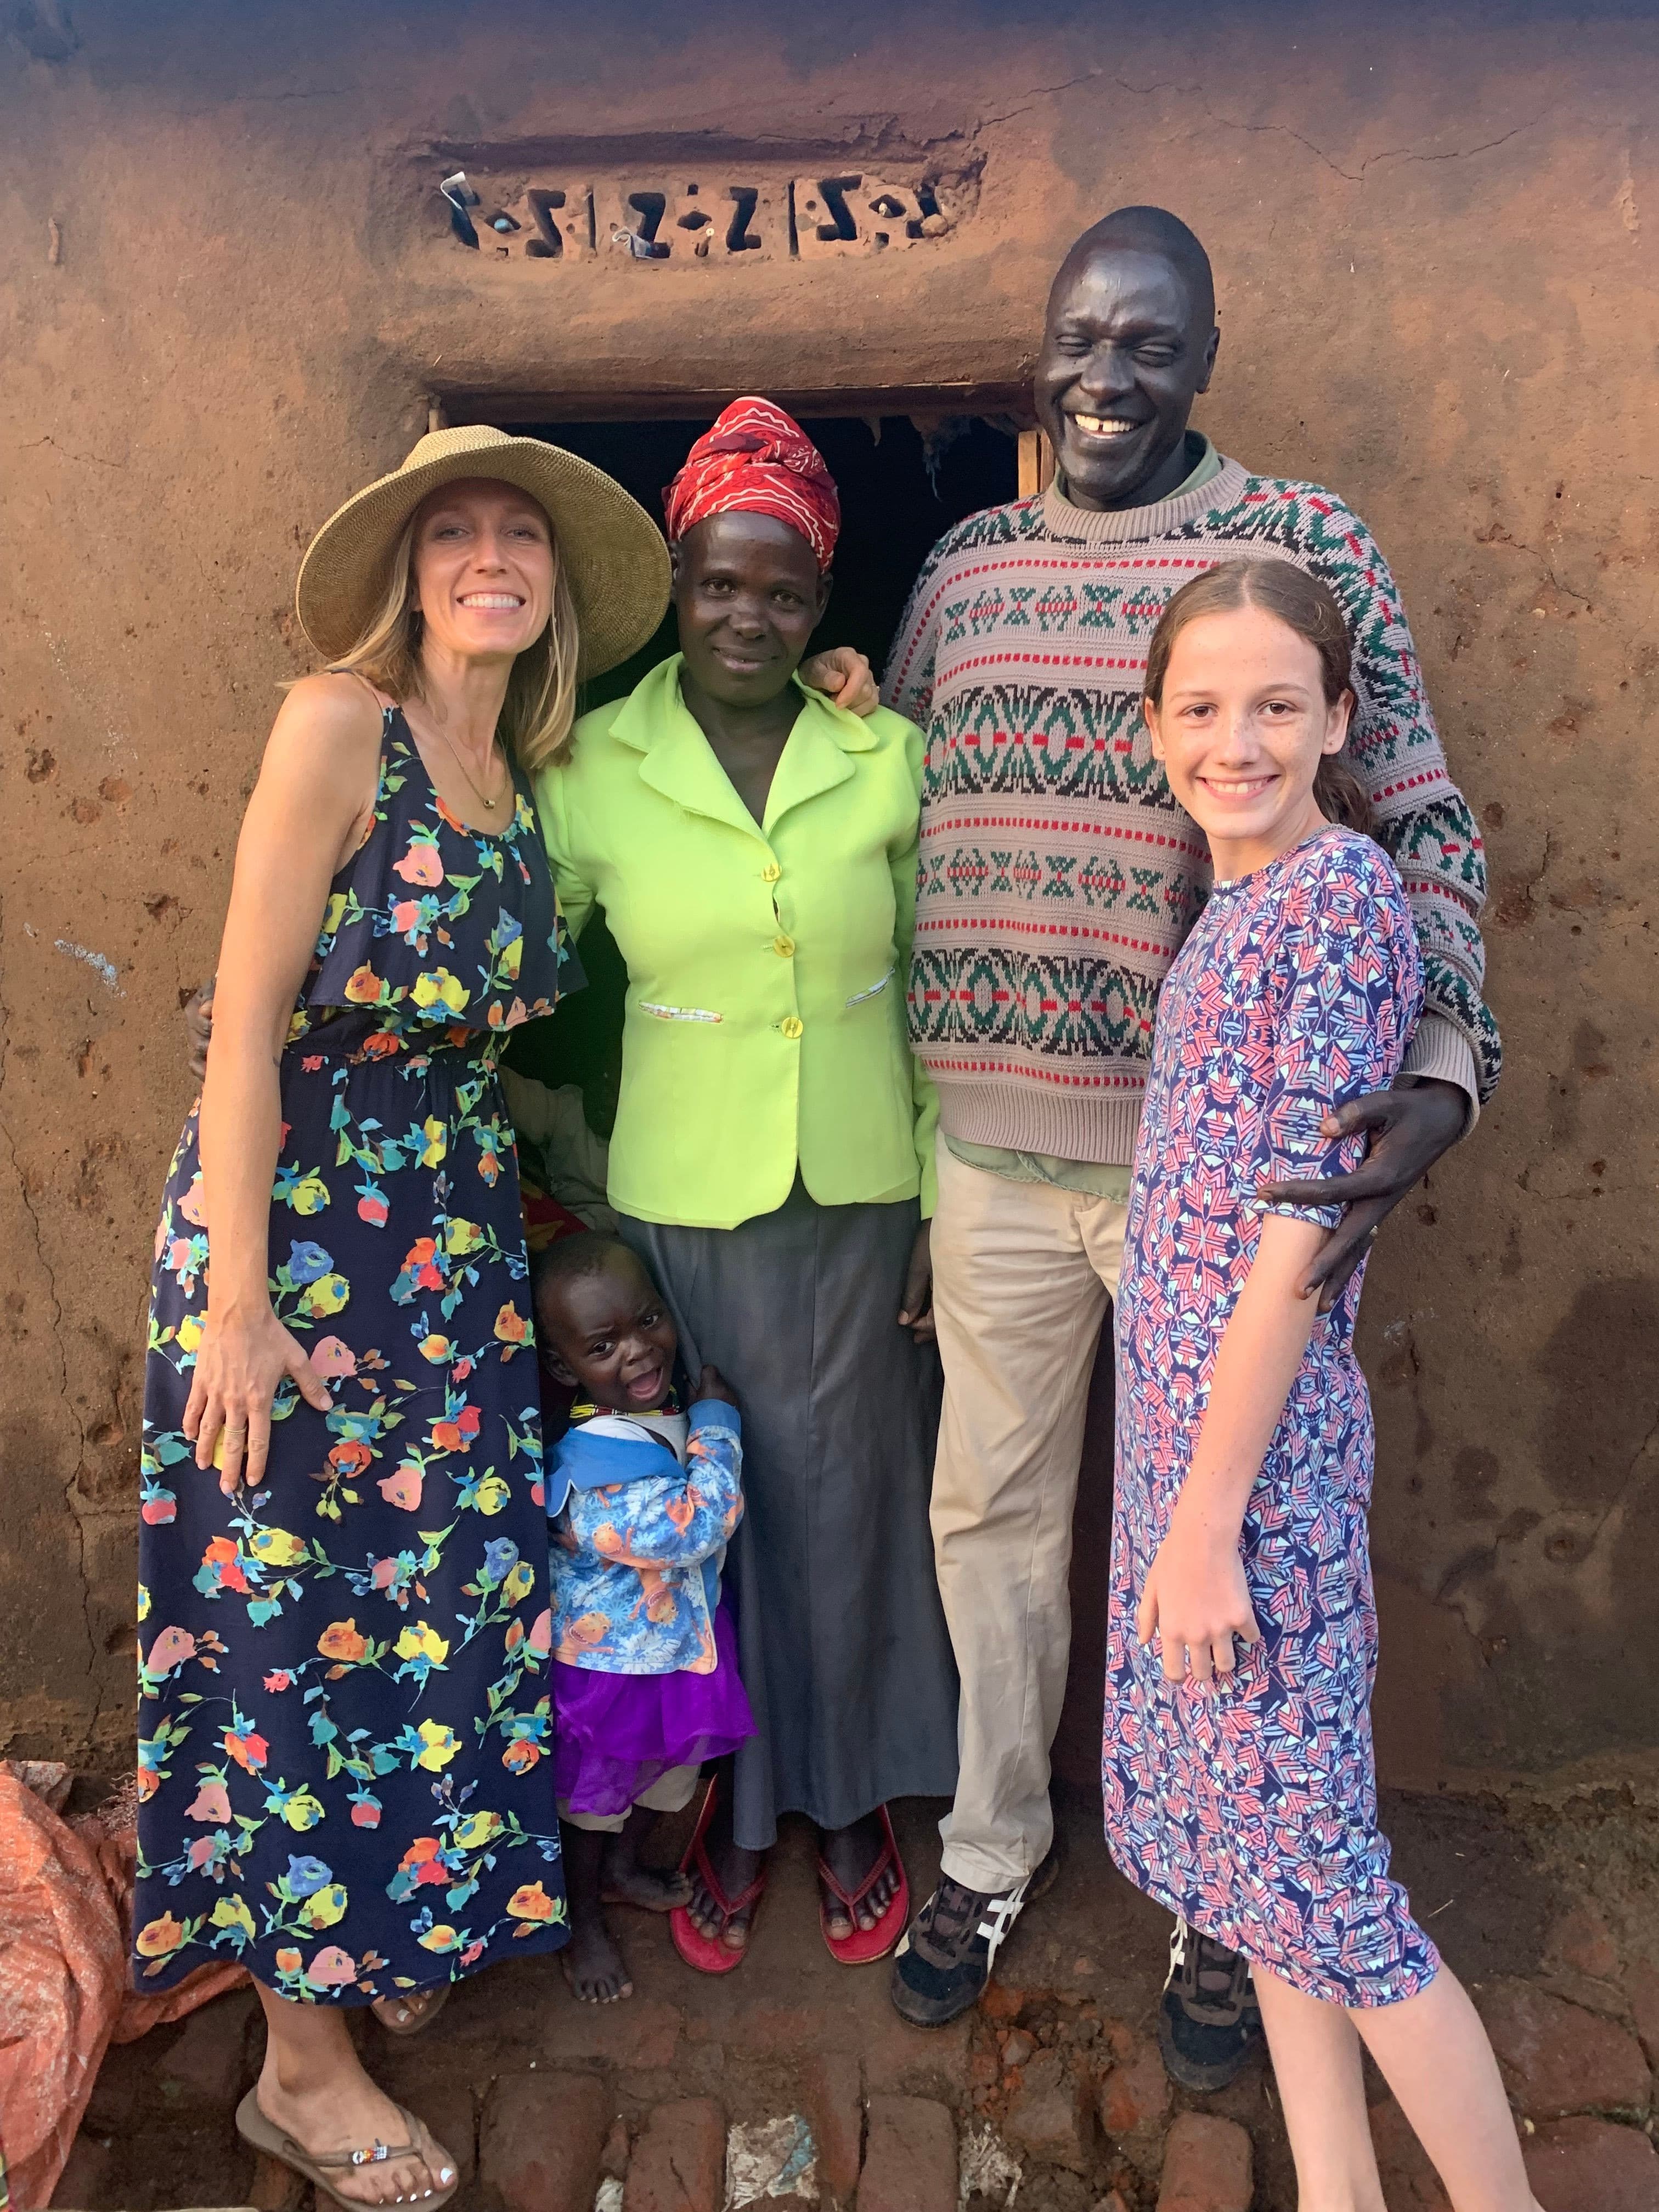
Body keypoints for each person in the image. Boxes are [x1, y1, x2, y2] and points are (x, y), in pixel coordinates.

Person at [885, 207, 1502, 2067]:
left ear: (1205, 353)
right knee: (988, 1508)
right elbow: (897, 783)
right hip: (987, 1148)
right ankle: (995, 1842)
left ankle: (1215, 1900)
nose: (1107, 376)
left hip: (1207, 1176)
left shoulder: (1303, 544)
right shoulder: (967, 562)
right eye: (1080, 338)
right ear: (1037, 353)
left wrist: (1449, 1052)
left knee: (1210, 1522)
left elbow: (1415, 809)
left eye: (1149, 343)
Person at [136, 425, 668, 2205]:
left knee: (420, 1620)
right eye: (458, 531)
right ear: (409, 569)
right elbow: (246, 1012)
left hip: (446, 1259)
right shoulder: (338, 724)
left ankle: (369, 1942)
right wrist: (232, 1299)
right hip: (294, 1245)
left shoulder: (518, 770)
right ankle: (294, 2066)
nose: (490, 557)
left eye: (520, 533)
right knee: (289, 1633)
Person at [1108, 558, 1539, 2211]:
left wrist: (1208, 1520)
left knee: (1338, 1899)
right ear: (1154, 731)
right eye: (1204, 709)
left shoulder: (1341, 902)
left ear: (1340, 719)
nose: (1240, 741)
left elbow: (1304, 1236)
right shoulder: (1226, 905)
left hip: (1254, 1483)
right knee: (1263, 1883)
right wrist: (1175, 1498)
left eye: (1279, 705)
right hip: (1188, 1460)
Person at [535, 398, 958, 1973]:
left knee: (845, 1502)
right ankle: (728, 1802)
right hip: (682, 1212)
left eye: (784, 590)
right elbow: (519, 960)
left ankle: (842, 1800)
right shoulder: (589, 763)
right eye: (719, 581)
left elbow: (937, 986)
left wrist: (932, 1196)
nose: (748, 616)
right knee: (708, 1517)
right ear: (675, 575)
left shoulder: (889, 756)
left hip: (856, 1200)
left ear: (823, 600)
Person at [532, 1233, 752, 2005]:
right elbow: (695, 1526)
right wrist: (719, 1425)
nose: (636, 1351)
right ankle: (582, 1918)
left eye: (648, 1320)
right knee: (595, 1808)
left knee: (663, 1783)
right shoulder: (594, 1467)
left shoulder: (654, 1418)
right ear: (566, 1369)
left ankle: (627, 1870)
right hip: (614, 1678)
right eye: (603, 1345)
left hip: (673, 1655)